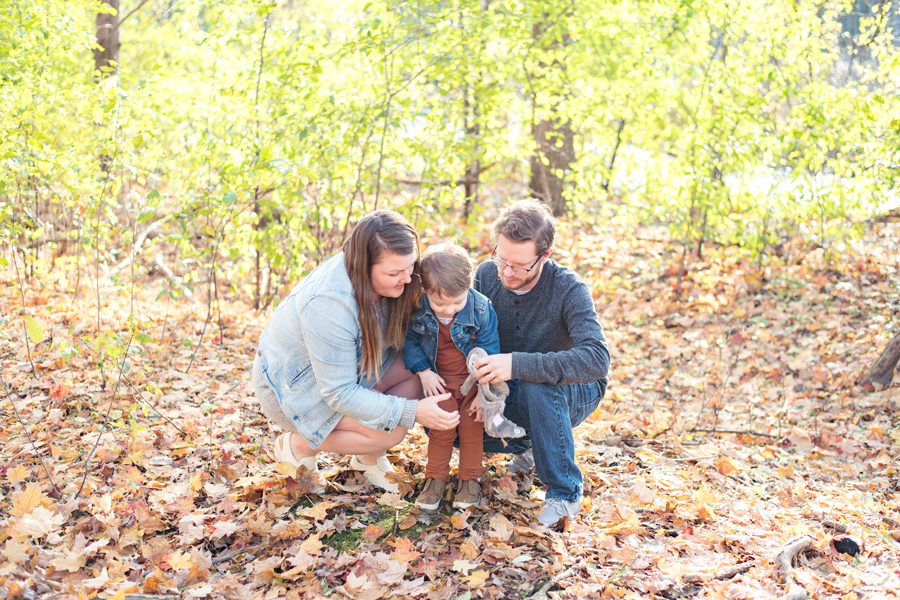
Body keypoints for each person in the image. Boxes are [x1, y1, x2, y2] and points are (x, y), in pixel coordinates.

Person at [252, 210, 460, 494]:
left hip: (352, 369)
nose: (408, 279)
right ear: (364, 266)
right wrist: (412, 411)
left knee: (418, 372)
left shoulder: (399, 280)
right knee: (393, 430)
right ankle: (298, 445)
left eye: (410, 267)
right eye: (394, 273)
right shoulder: (330, 303)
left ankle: (368, 460)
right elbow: (338, 393)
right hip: (294, 389)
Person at [473, 200, 610, 527]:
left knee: (537, 385)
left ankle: (565, 492)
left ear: (544, 256)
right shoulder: (485, 275)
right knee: (448, 422)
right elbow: (472, 336)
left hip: (573, 390)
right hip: (509, 387)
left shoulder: (568, 288)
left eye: (519, 266)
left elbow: (597, 359)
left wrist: (517, 364)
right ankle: (530, 445)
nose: (506, 272)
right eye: (501, 259)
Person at [402, 243, 499, 510]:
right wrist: (423, 372)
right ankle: (435, 478)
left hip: (471, 383)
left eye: (457, 302)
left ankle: (470, 479)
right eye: (440, 303)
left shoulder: (480, 308)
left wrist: (483, 390)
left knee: (471, 431)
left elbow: (490, 351)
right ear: (425, 291)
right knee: (441, 429)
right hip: (439, 383)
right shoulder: (418, 307)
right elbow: (409, 342)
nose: (448, 310)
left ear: (469, 288)